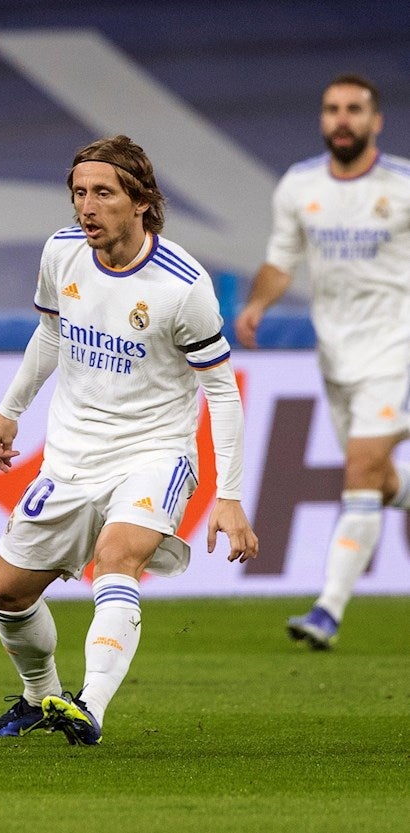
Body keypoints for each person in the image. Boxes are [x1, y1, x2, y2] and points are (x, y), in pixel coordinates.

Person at [0, 135, 258, 746]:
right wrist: (9, 411)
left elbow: (223, 393)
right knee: (5, 592)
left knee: (118, 555)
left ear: (141, 202)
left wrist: (229, 496)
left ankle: (91, 705)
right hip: (71, 455)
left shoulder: (183, 286)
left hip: (154, 452)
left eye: (103, 193)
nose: (87, 207)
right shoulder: (62, 253)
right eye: (79, 193)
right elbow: (51, 333)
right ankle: (41, 697)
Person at [235, 74, 410, 651]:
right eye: (333, 109)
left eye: (355, 109)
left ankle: (327, 609)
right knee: (379, 481)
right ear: (322, 119)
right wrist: (258, 302)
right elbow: (282, 259)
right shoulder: (299, 185)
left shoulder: (404, 186)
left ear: (375, 121)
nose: (343, 119)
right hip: (335, 353)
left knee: (360, 468)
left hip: (396, 347)